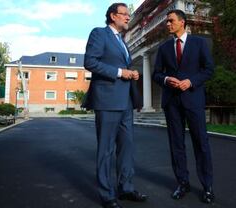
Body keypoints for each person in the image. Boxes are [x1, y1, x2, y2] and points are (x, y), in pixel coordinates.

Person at [83, 3, 147, 208]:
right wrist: (121, 72)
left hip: (126, 102)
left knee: (127, 148)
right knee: (106, 150)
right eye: (125, 14)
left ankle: (126, 188)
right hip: (107, 100)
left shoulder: (122, 41)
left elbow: (123, 66)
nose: (128, 18)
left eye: (129, 14)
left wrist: (132, 73)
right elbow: (90, 62)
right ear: (113, 16)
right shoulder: (99, 34)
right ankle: (107, 194)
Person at [152, 9, 215, 204]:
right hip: (172, 103)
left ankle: (207, 187)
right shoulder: (163, 48)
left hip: (193, 100)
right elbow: (156, 74)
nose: (167, 24)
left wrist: (191, 81)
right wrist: (166, 78)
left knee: (201, 144)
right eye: (167, 21)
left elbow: (208, 70)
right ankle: (182, 183)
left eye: (170, 21)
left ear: (182, 22)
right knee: (176, 145)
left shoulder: (199, 43)